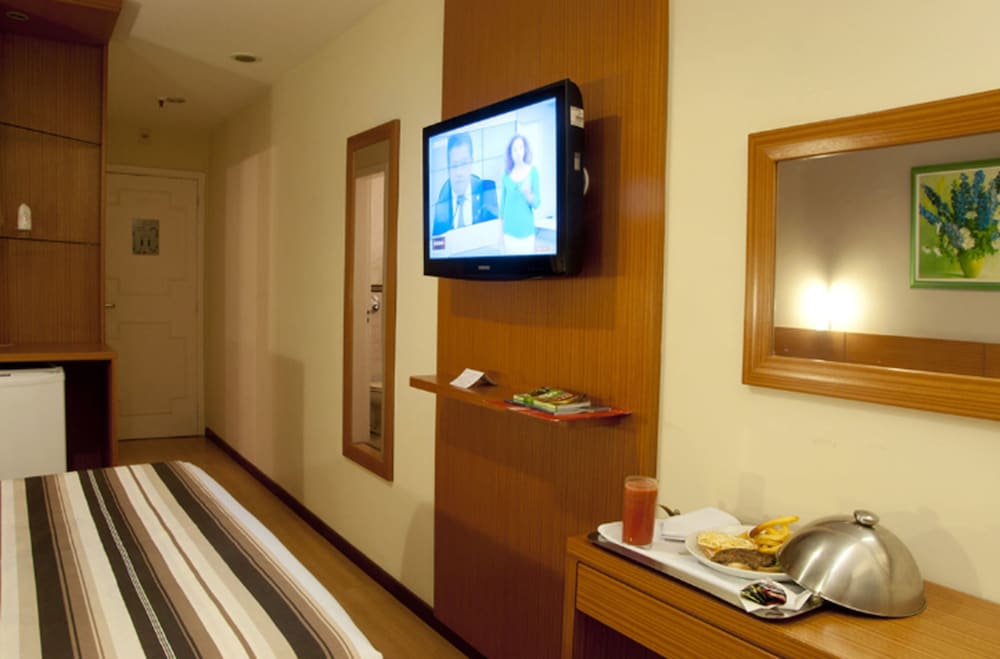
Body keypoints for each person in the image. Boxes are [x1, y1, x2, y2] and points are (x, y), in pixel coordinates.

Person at [432, 132, 498, 236]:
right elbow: (437, 243)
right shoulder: (441, 207)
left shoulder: (486, 192)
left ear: (471, 162)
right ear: (448, 167)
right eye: (454, 165)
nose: (459, 172)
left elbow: (495, 236)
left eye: (464, 163)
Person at [500, 134, 540, 254]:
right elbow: (502, 208)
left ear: (525, 150)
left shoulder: (533, 172)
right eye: (515, 149)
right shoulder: (506, 176)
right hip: (508, 234)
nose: (518, 152)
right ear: (510, 153)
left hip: (527, 233)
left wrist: (527, 194)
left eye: (521, 147)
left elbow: (537, 203)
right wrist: (500, 234)